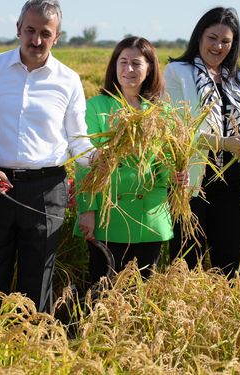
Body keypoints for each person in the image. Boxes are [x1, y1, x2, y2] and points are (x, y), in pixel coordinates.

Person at [0, 0, 94, 313]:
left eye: (45, 33)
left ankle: (30, 345)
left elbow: (78, 140)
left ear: (57, 36)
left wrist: (102, 159)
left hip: (47, 189)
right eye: (30, 30)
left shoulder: (68, 80)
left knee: (38, 275)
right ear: (18, 29)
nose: (36, 40)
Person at [75, 36, 188, 283]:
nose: (128, 69)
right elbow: (84, 162)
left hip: (150, 215)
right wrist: (87, 210)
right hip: (108, 215)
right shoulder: (95, 107)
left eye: (136, 63)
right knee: (103, 292)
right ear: (114, 66)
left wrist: (180, 175)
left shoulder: (163, 112)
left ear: (149, 69)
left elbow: (168, 164)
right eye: (123, 62)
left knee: (144, 295)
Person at [164, 7, 240, 276]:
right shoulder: (177, 72)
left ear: (234, 44)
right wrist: (222, 143)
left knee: (230, 257)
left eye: (226, 41)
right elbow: (175, 129)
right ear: (199, 37)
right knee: (187, 255)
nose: (218, 46)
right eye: (212, 38)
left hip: (230, 178)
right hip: (193, 179)